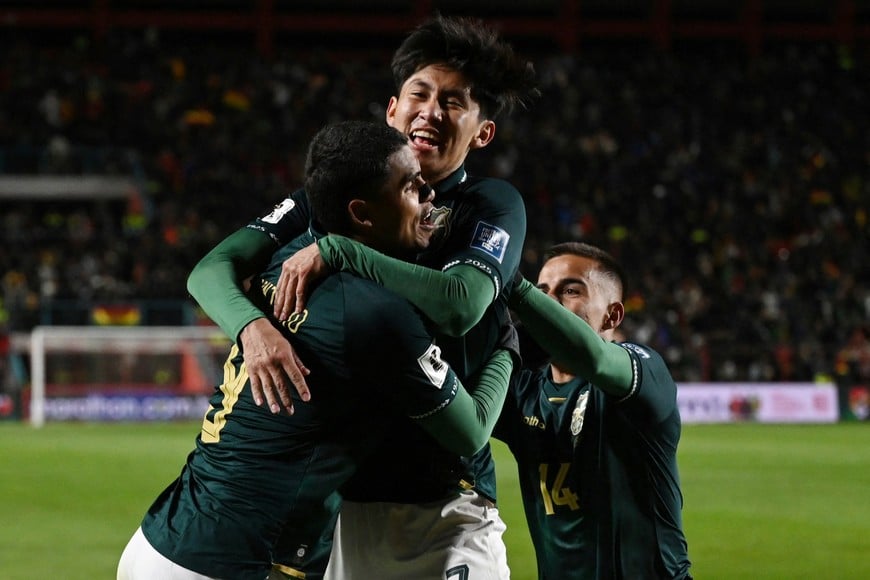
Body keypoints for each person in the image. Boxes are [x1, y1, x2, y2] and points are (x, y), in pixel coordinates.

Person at [186, 15, 539, 579]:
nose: (431, 111)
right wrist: (253, 330)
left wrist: (344, 252)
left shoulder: (492, 208)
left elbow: (461, 302)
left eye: (453, 102)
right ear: (392, 110)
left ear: (482, 132)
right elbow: (211, 270)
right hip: (344, 510)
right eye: (420, 94)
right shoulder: (335, 193)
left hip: (449, 503)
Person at [117, 120, 514, 580]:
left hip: (166, 536)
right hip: (233, 563)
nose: (429, 194)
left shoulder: (286, 256)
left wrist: (250, 323)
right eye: (411, 187)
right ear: (361, 214)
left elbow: (214, 268)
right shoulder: (373, 314)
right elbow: (470, 431)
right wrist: (507, 347)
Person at [495, 241, 692, 579]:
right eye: (542, 291)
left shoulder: (645, 371)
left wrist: (510, 284)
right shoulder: (522, 391)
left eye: (570, 290)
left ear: (612, 315)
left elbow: (595, 359)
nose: (547, 302)